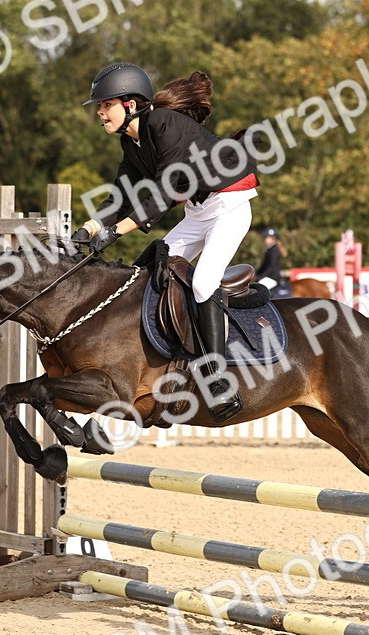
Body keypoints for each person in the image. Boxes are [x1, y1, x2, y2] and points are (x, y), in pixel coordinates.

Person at [73, 63, 259, 423]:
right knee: (148, 270)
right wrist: (91, 227)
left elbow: (163, 192)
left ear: (130, 104)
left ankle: (217, 378)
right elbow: (120, 195)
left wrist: (117, 232)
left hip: (230, 206)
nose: (99, 112)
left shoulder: (164, 125)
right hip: (199, 212)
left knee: (204, 282)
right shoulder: (132, 141)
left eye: (104, 104)